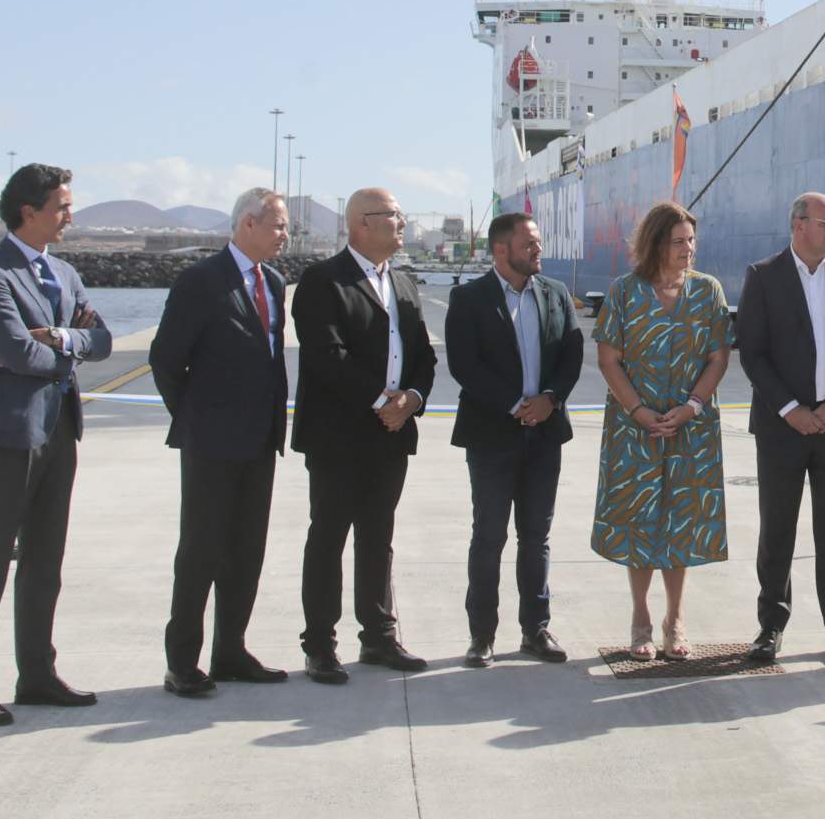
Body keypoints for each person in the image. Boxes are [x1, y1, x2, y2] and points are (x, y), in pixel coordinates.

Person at [0, 164, 114, 727]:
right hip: (7, 434)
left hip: (59, 430)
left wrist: (63, 339)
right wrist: (68, 352)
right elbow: (15, 353)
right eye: (63, 206)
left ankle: (37, 675)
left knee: (46, 560)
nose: (71, 215)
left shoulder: (64, 274)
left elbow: (104, 341)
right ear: (29, 211)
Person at [150, 187, 294, 697]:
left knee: (246, 550)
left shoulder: (273, 282)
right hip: (211, 442)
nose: (285, 234)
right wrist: (195, 419)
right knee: (201, 551)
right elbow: (166, 359)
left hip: (260, 441)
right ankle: (182, 662)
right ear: (247, 225)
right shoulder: (200, 281)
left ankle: (231, 650)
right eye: (278, 225)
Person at [291, 186, 438, 682]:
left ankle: (378, 637)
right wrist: (382, 402)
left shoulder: (403, 282)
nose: (402, 223)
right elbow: (326, 356)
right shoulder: (322, 281)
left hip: (391, 435)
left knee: (378, 539)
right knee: (328, 537)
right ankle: (320, 646)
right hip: (338, 436)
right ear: (361, 224)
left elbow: (423, 355)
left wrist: (412, 400)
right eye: (394, 216)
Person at [737, 192, 825, 665]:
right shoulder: (763, 276)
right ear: (799, 224)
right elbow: (752, 352)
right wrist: (790, 409)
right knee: (777, 529)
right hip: (783, 429)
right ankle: (770, 628)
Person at [590, 201, 731, 660]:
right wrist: (638, 411)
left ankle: (676, 620)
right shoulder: (624, 292)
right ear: (655, 244)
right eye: (678, 242)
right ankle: (640, 618)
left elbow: (718, 357)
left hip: (691, 428)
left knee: (682, 522)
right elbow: (608, 359)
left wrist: (692, 406)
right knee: (640, 522)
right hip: (636, 430)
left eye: (691, 240)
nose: (688, 249)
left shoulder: (709, 292)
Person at [444, 211, 585, 667]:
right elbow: (465, 365)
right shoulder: (468, 299)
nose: (538, 250)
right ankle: (481, 635)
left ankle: (535, 630)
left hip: (544, 435)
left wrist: (550, 398)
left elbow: (572, 352)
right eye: (529, 243)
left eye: (538, 242)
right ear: (501, 249)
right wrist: (513, 404)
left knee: (536, 537)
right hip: (491, 435)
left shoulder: (556, 293)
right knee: (488, 536)